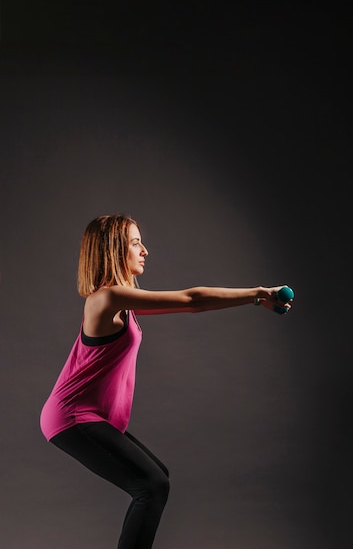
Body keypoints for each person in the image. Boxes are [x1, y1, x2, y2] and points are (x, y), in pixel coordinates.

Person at [40, 213, 293, 549]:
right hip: (72, 417)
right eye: (134, 243)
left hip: (89, 416)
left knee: (158, 479)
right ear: (114, 249)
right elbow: (191, 300)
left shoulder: (122, 302)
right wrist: (258, 292)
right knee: (152, 485)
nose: (144, 250)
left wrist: (256, 299)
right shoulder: (106, 299)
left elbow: (192, 304)